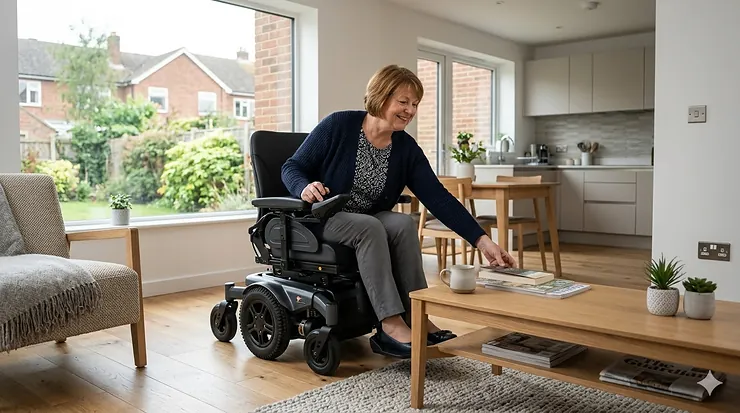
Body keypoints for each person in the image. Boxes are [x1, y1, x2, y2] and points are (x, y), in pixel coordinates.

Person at [281, 64, 516, 359]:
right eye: (403, 101)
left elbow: (439, 199)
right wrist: (304, 187)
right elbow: (292, 167)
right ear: (381, 96)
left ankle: (417, 315)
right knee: (371, 227)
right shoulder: (338, 125)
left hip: (366, 218)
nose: (410, 110)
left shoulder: (405, 148)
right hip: (324, 218)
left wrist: (482, 241)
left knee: (403, 223)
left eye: (415, 104)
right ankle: (390, 325)